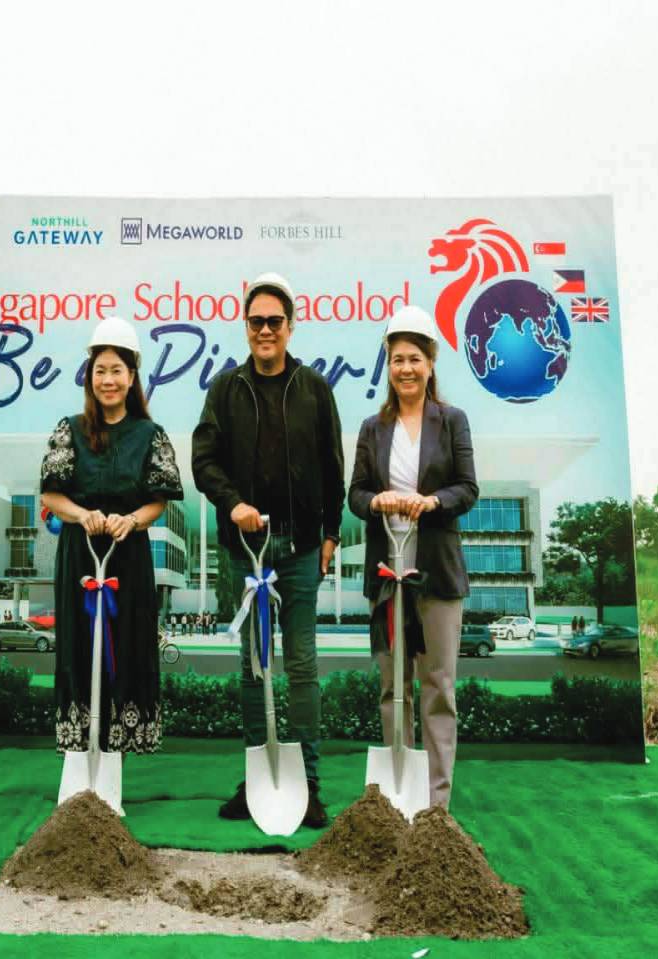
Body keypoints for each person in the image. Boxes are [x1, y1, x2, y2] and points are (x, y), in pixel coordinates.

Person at [192, 271, 344, 828]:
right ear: (245, 325)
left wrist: (330, 534)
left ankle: (309, 786)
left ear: (291, 325)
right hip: (245, 551)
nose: (264, 330)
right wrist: (231, 502)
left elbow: (333, 469)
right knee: (254, 669)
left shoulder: (314, 389)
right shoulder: (224, 391)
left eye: (274, 321)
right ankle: (256, 780)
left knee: (301, 667)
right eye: (255, 321)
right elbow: (204, 460)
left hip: (301, 549)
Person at [348, 305, 479, 812]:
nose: (405, 368)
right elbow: (356, 493)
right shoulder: (371, 427)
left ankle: (436, 806)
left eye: (414, 359)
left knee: (437, 685)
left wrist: (433, 502)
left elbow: (467, 488)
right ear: (389, 365)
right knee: (391, 685)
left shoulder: (452, 422)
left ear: (430, 364)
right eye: (397, 359)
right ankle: (396, 799)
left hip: (436, 573)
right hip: (387, 571)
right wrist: (376, 501)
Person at [40, 317, 183, 755]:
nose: (108, 380)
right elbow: (51, 493)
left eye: (116, 370)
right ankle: (81, 748)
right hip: (80, 559)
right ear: (90, 376)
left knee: (129, 647)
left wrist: (132, 520)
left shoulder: (150, 434)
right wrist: (83, 515)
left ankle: (121, 747)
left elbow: (160, 499)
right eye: (100, 370)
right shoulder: (70, 429)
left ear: (132, 376)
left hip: (129, 559)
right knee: (79, 648)